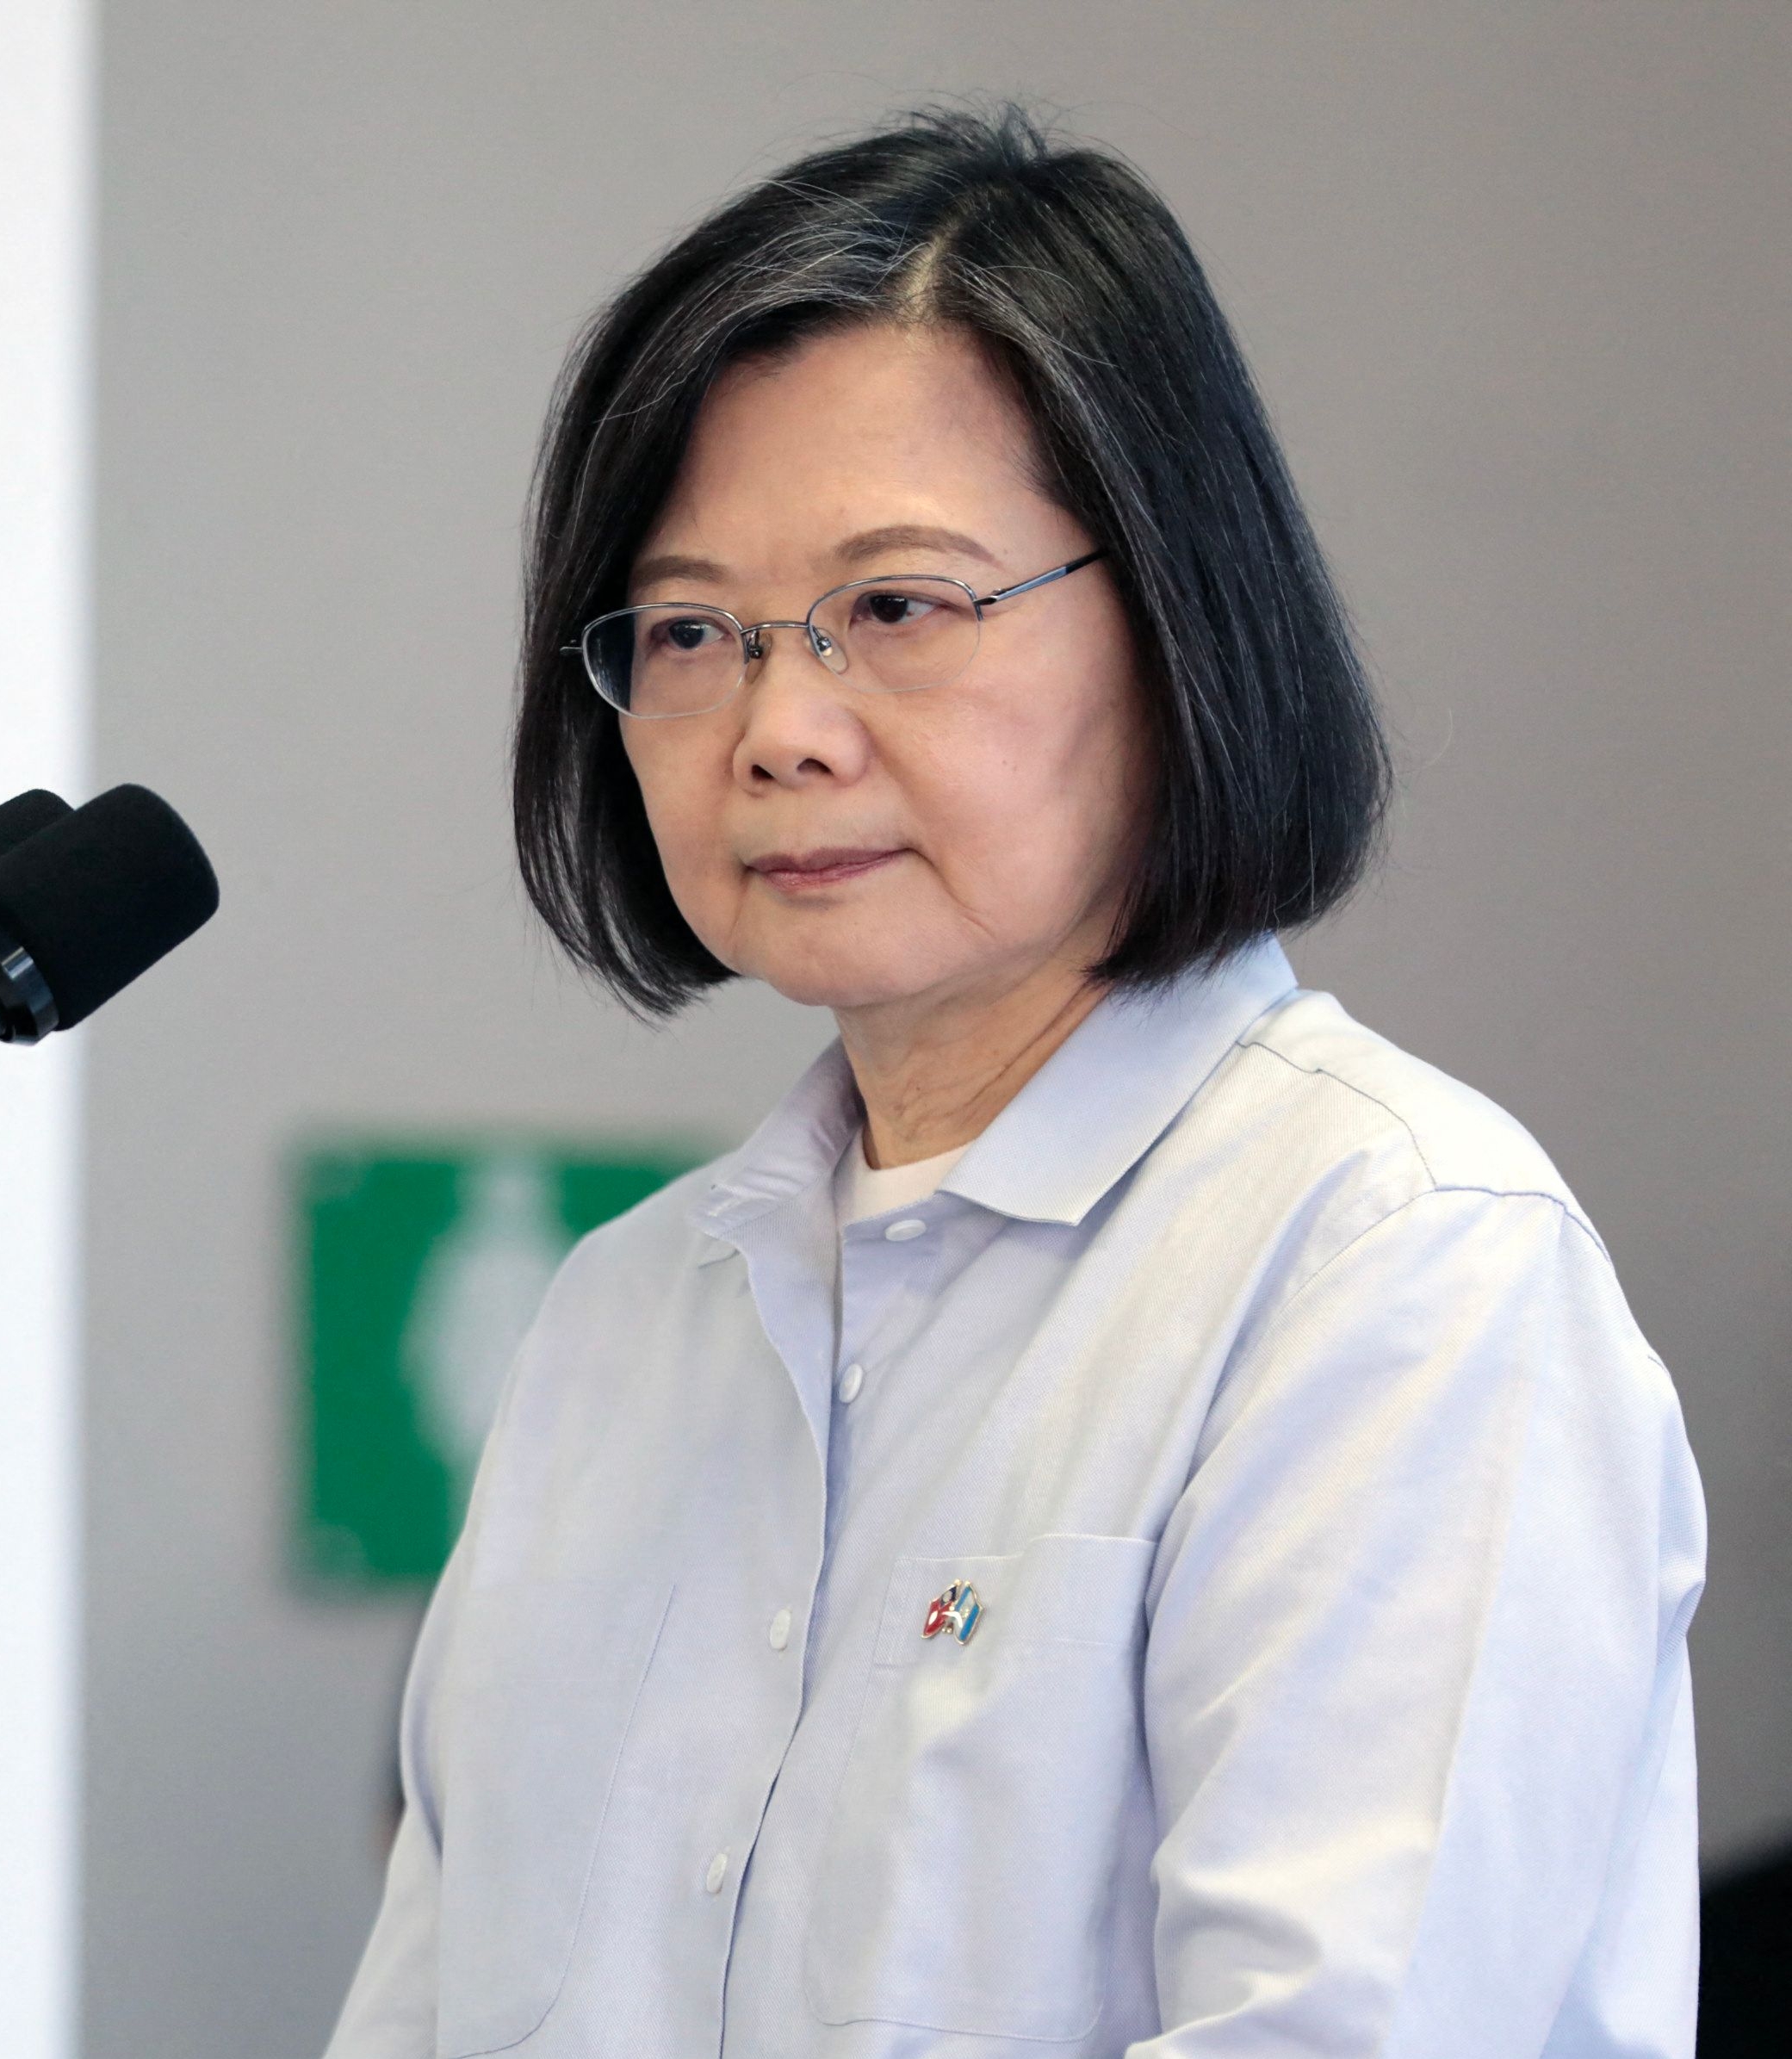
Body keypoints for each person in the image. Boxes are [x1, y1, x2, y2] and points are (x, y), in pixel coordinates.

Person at [323, 107, 1702, 2058]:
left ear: (1174, 620)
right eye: (694, 630)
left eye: (896, 605)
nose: (780, 726)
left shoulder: (1392, 1269)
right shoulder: (619, 1323)